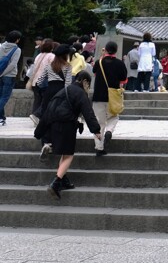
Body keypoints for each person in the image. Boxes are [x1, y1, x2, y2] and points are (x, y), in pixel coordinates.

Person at [35, 70, 102, 200]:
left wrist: (39, 131)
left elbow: (49, 109)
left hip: (55, 125)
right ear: (85, 81)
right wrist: (96, 130)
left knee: (64, 154)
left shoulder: (64, 91)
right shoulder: (80, 93)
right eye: (88, 84)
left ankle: (64, 179)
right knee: (69, 155)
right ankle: (56, 183)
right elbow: (88, 112)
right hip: (67, 126)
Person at [91, 41, 127, 154]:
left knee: (99, 122)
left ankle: (99, 147)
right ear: (116, 50)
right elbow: (124, 80)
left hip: (98, 96)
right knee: (114, 117)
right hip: (113, 97)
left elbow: (95, 73)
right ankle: (109, 131)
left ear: (105, 49)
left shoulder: (99, 62)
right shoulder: (120, 64)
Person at [26, 38, 55, 124]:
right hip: (44, 81)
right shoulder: (52, 56)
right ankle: (37, 116)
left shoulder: (39, 55)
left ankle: (35, 117)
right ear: (51, 47)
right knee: (45, 100)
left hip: (35, 80)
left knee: (37, 100)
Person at [0, 30, 22, 126]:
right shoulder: (17, 50)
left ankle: (1, 118)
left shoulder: (1, 46)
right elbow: (13, 65)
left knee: (1, 97)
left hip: (0, 74)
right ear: (17, 40)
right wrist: (3, 73)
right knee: (4, 97)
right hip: (9, 76)